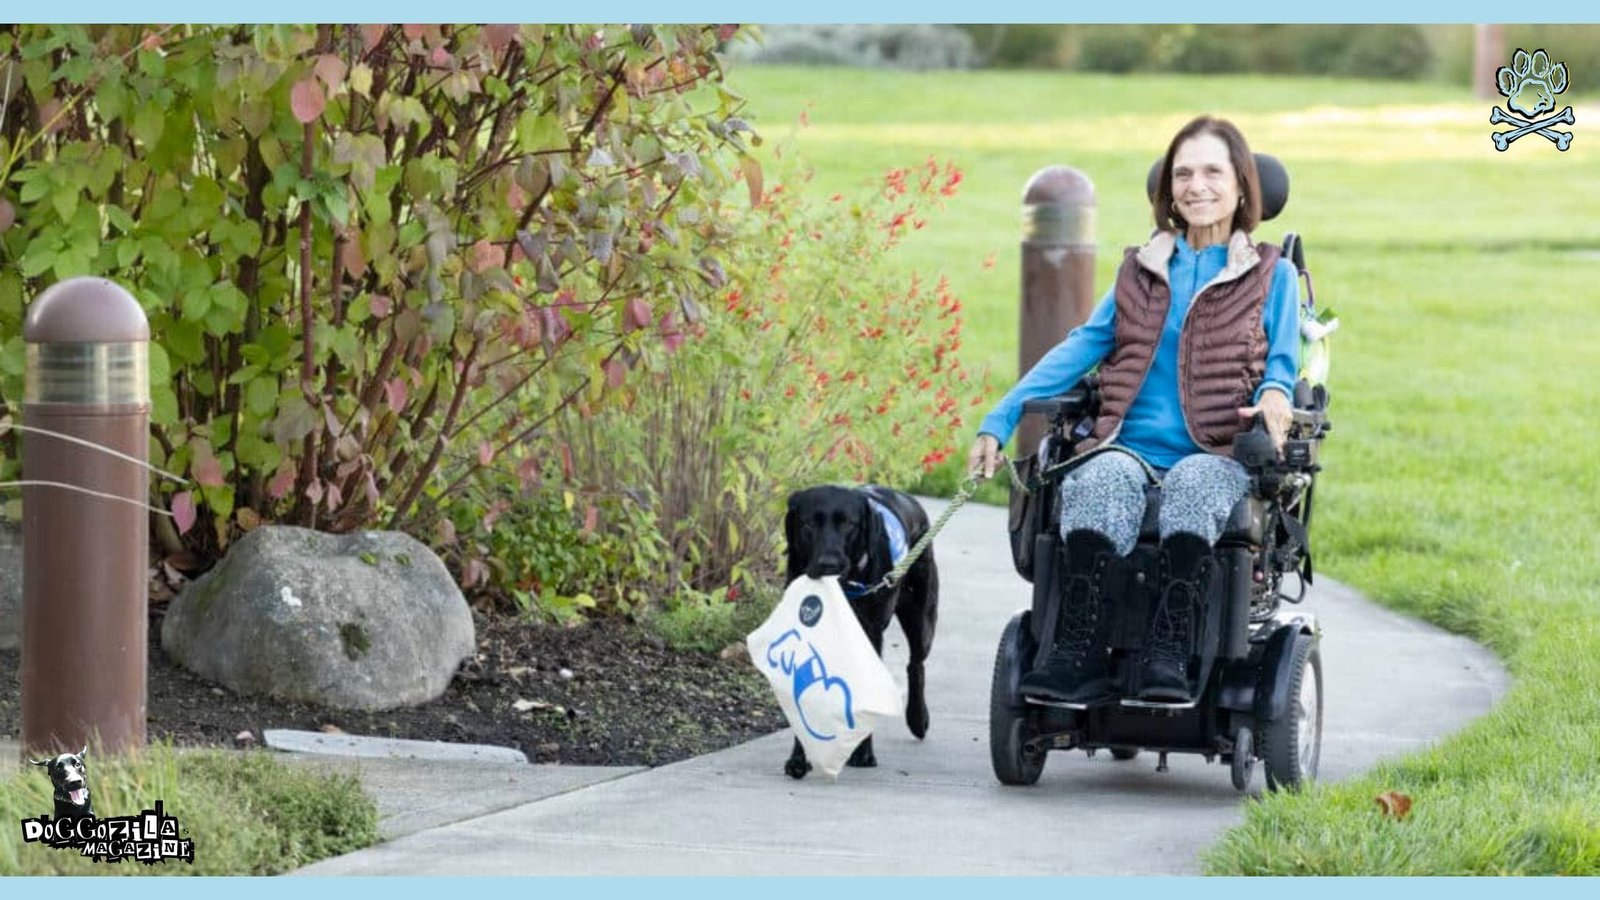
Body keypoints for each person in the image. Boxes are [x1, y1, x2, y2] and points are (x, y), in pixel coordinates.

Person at [967, 115, 1300, 704]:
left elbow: (1283, 361)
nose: (1197, 186)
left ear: (1243, 185)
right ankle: (1079, 653)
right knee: (1097, 481)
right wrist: (1002, 417)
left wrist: (1275, 397)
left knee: (1195, 486)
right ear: (1168, 190)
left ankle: (1169, 653)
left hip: (1216, 450)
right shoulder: (1141, 270)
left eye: (1212, 173)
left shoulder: (1273, 276)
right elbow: (1080, 347)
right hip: (1128, 445)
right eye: (1183, 174)